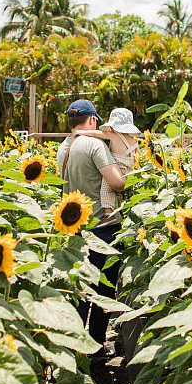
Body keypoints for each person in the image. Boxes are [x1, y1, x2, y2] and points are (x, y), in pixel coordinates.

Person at [57, 99, 126, 348]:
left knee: (80, 289)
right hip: (102, 227)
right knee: (102, 292)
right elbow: (117, 182)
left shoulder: (63, 147)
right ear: (92, 120)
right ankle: (95, 346)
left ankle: (75, 345)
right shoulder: (94, 145)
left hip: (76, 229)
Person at [74, 107, 140, 221]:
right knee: (119, 192)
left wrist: (82, 132)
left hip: (118, 168)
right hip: (130, 170)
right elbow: (138, 155)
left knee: (106, 188)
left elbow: (97, 133)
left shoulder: (113, 135)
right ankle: (119, 210)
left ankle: (109, 213)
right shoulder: (133, 140)